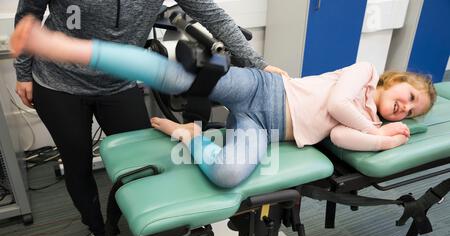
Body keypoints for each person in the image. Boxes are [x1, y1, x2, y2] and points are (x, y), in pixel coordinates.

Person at [12, 15, 437, 191]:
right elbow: (342, 106)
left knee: (228, 175)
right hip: (260, 90)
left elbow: (343, 134)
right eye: (409, 98)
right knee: (178, 72)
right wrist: (376, 132)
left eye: (412, 113)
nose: (405, 109)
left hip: (265, 131)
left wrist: (381, 142)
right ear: (394, 80)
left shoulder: (367, 120)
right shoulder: (364, 71)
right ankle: (64, 45)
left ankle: (187, 132)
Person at [13, 1, 287, 236]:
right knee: (77, 162)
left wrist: (258, 64)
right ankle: (99, 231)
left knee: (143, 161)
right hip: (59, 82)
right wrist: (23, 72)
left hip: (118, 82)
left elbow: (212, 14)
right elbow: (30, 12)